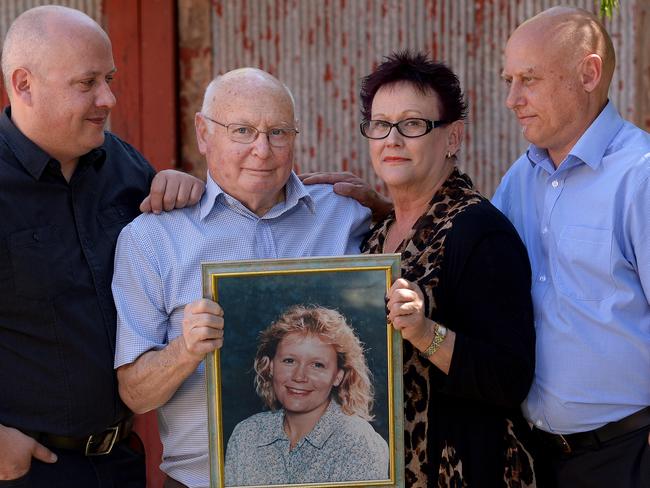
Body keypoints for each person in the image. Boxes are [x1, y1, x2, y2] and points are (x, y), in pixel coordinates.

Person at [112, 68, 370, 488]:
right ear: (203, 133)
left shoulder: (346, 214)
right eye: (243, 130)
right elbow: (134, 395)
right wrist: (185, 350)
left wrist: (381, 204)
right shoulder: (152, 238)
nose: (262, 151)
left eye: (278, 132)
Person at [0, 5, 204, 488]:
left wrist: (183, 190)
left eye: (109, 78)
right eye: (86, 82)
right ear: (24, 83)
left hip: (120, 462)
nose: (108, 98)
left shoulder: (126, 167)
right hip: (25, 471)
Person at [352, 51, 536, 487]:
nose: (391, 139)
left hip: (465, 469)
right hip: (391, 467)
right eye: (380, 125)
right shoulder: (377, 237)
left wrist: (423, 331)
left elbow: (510, 378)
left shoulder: (480, 231)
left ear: (452, 138)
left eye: (412, 124)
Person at [492, 7, 650, 488]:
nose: (512, 99)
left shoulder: (640, 176)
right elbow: (466, 248)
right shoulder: (520, 179)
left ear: (589, 73)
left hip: (628, 457)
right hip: (539, 459)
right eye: (509, 80)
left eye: (529, 80)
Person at [225, 305, 389, 486]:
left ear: (338, 376)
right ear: (270, 367)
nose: (299, 376)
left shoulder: (359, 442)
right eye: (289, 361)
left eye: (317, 365)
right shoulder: (246, 434)